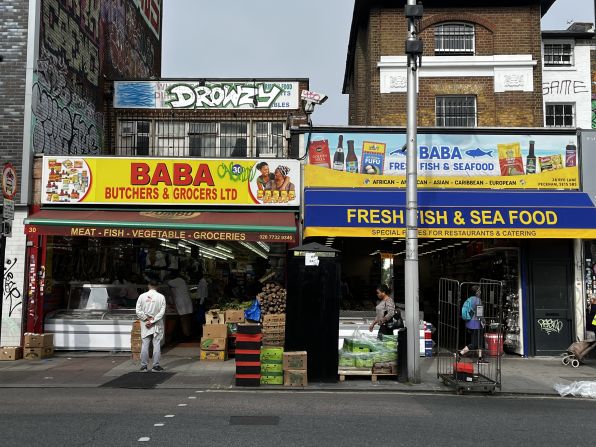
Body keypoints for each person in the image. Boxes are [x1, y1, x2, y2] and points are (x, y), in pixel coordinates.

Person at [136, 277, 167, 372]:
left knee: (145, 344)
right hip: (157, 324)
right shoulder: (161, 297)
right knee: (156, 344)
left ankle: (144, 366)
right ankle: (155, 366)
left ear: (148, 286)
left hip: (145, 324)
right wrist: (153, 320)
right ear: (157, 286)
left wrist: (146, 319)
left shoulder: (142, 296)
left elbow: (138, 310)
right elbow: (162, 312)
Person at [167, 271, 194, 340]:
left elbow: (168, 283)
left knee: (183, 319)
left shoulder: (177, 281)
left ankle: (186, 335)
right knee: (187, 319)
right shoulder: (182, 280)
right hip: (186, 302)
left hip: (182, 303)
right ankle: (188, 334)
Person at [460, 285, 485, 360]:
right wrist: (483, 321)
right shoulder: (478, 300)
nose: (480, 292)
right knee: (474, 343)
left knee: (479, 341)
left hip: (469, 323)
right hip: (476, 324)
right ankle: (460, 353)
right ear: (476, 292)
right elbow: (479, 314)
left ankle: (480, 358)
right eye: (479, 290)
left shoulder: (469, 299)